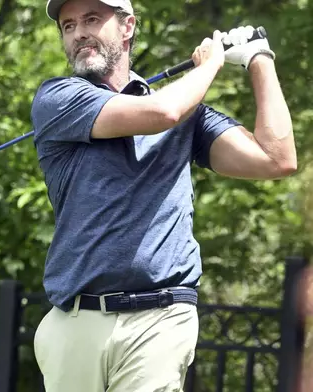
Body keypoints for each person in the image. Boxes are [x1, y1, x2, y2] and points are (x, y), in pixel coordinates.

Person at [30, 0, 297, 391]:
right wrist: (211, 65)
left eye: (91, 19)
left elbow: (276, 159)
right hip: (75, 320)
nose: (78, 32)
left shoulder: (189, 113)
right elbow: (162, 113)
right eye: (68, 26)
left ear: (128, 27)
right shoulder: (57, 97)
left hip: (161, 317)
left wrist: (259, 58)